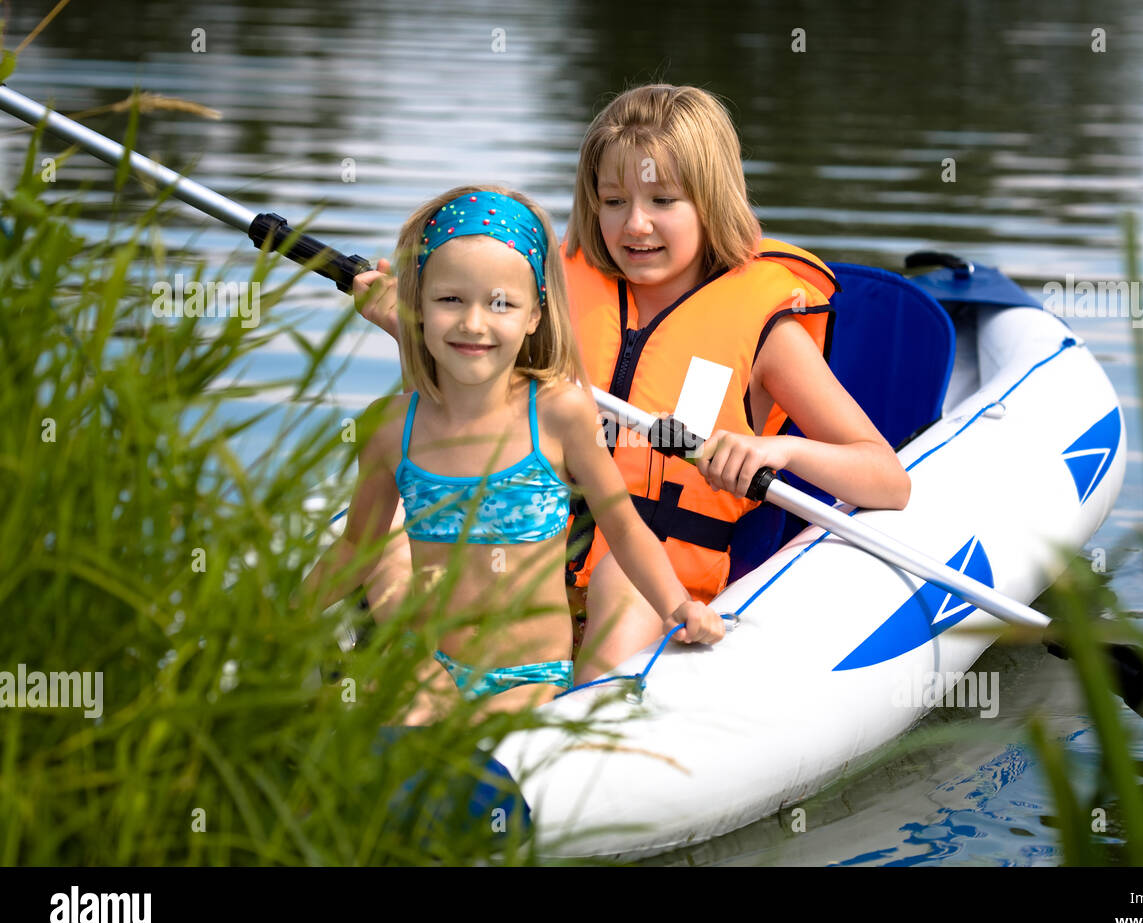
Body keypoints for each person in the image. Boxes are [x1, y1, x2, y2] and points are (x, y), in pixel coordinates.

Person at [355, 85, 910, 685]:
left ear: (711, 200)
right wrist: (410, 329)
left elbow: (887, 478)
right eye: (614, 200)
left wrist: (780, 450)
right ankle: (404, 674)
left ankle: (581, 706)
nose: (634, 224)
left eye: (663, 199)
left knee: (623, 572)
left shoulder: (768, 333)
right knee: (392, 529)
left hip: (652, 555)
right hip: (530, 522)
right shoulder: (552, 296)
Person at [301, 185, 724, 723]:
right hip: (430, 662)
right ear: (418, 308)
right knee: (397, 728)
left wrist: (677, 606)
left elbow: (624, 529)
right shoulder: (390, 428)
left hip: (526, 676)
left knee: (478, 743)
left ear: (533, 315)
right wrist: (281, 621)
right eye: (450, 299)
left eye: (500, 303)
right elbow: (355, 549)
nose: (473, 323)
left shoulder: (558, 414)